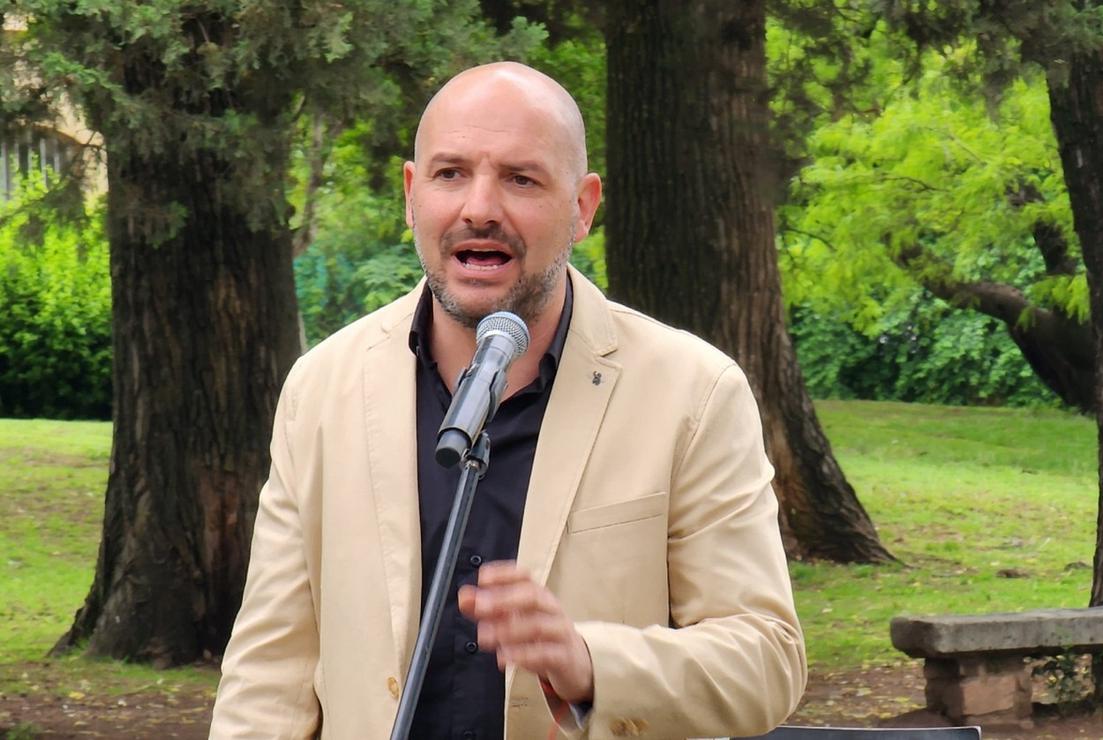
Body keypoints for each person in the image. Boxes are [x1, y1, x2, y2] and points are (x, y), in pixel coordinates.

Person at [209, 61, 805, 739]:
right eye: (450, 173)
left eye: (521, 179)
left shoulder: (693, 394)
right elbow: (268, 678)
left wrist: (592, 664)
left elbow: (766, 661)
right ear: (411, 194)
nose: (480, 208)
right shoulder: (321, 389)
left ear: (582, 207)